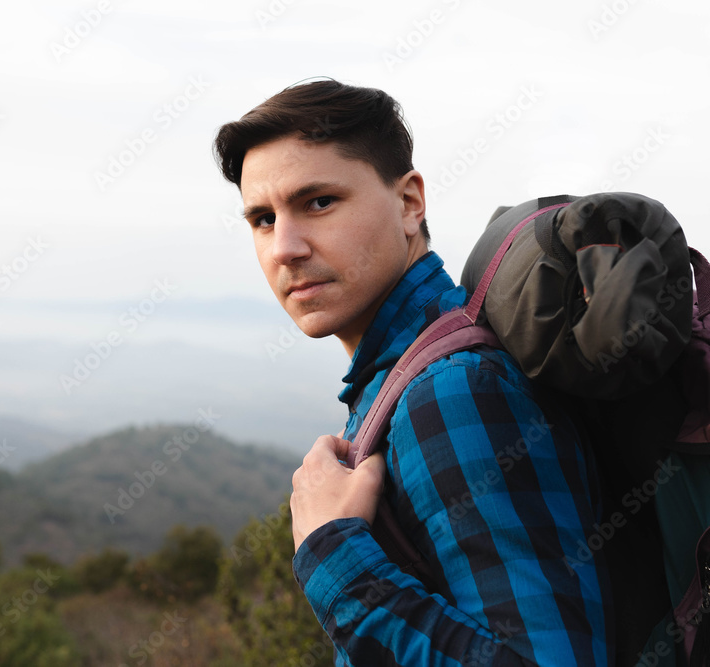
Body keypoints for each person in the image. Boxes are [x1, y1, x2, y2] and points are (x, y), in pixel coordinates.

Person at [212, 79, 613, 666]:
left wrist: (335, 560)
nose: (285, 248)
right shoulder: (402, 379)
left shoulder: (453, 390)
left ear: (409, 204)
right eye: (263, 219)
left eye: (318, 202)